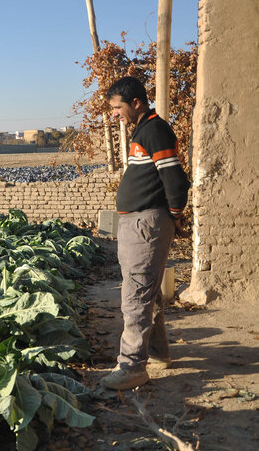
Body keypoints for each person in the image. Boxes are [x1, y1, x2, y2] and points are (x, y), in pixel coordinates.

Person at [100, 76, 191, 390]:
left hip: (147, 224)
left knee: (136, 294)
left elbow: (175, 180)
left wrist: (175, 216)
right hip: (137, 223)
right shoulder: (144, 130)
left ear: (135, 103)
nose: (114, 113)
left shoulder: (154, 129)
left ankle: (131, 366)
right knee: (145, 290)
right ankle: (157, 353)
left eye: (117, 107)